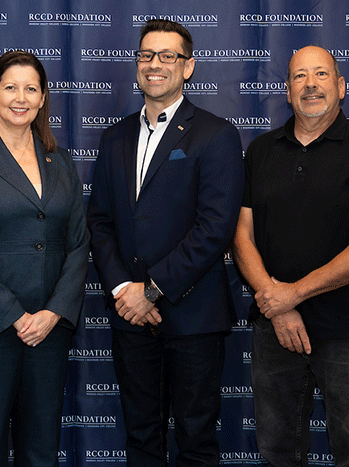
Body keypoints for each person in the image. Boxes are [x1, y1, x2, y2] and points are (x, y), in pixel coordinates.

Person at [87, 19, 244, 466]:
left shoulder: (216, 134)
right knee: (140, 437)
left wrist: (151, 291)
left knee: (195, 441)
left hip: (192, 316)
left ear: (188, 67)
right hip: (130, 318)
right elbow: (99, 221)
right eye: (146, 55)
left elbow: (214, 229)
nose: (154, 65)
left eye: (167, 56)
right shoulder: (114, 136)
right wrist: (124, 290)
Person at [232, 46, 349, 467]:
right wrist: (277, 302)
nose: (310, 85)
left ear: (340, 86)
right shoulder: (261, 150)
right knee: (278, 452)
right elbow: (240, 235)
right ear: (287, 92)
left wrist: (293, 295)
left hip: (346, 332)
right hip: (275, 331)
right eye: (299, 77)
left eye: (321, 75)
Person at [0, 50, 90, 467]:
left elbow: (78, 244)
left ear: (43, 98)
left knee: (41, 450)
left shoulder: (60, 161)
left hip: (49, 331)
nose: (20, 97)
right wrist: (14, 315)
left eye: (31, 88)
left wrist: (53, 313)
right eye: (10, 87)